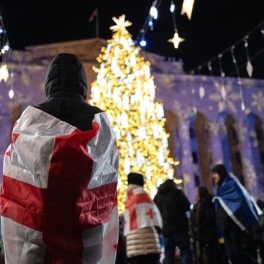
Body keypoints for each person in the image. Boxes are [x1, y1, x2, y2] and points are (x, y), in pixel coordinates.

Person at [1, 53, 119, 263]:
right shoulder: (98, 118)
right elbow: (108, 173)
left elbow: (15, 169)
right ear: (83, 84)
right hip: (85, 237)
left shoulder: (30, 117)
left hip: (36, 235)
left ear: (49, 84)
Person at [212, 164, 259, 264]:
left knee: (239, 253)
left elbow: (239, 200)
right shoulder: (219, 188)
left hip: (234, 225)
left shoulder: (230, 183)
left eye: (215, 173)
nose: (213, 176)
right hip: (225, 227)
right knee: (231, 255)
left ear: (220, 173)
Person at [124, 173, 162, 264]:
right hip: (150, 242)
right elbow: (156, 217)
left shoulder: (130, 197)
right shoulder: (144, 195)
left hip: (134, 244)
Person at [154, 179, 193, 264]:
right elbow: (187, 206)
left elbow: (155, 213)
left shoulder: (158, 196)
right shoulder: (177, 192)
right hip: (180, 227)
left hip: (166, 229)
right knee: (185, 251)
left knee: (169, 255)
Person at [196, 186, 222, 264]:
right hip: (214, 233)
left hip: (208, 234)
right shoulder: (211, 200)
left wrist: (201, 229)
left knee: (211, 255)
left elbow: (207, 218)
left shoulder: (204, 203)